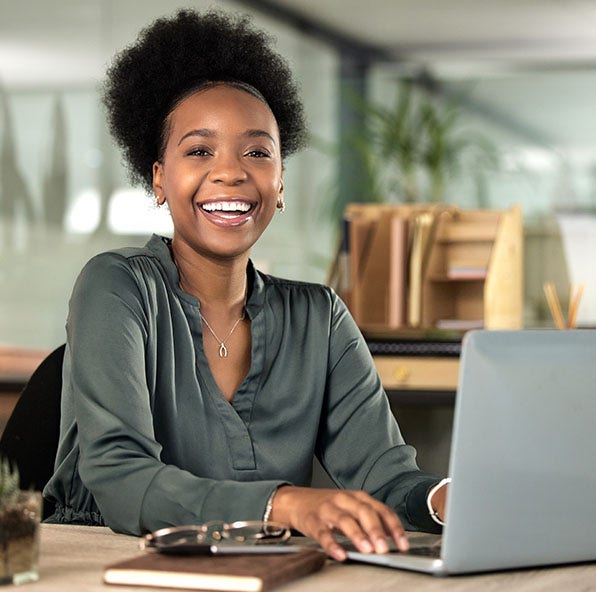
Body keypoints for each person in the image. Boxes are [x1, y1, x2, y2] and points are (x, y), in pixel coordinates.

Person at [42, 9, 448, 562]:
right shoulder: (116, 286)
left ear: (280, 183)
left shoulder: (320, 317)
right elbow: (121, 477)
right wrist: (285, 505)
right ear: (158, 177)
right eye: (199, 150)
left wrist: (446, 499)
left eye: (257, 152)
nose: (231, 172)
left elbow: (386, 475)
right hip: (104, 564)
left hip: (257, 568)